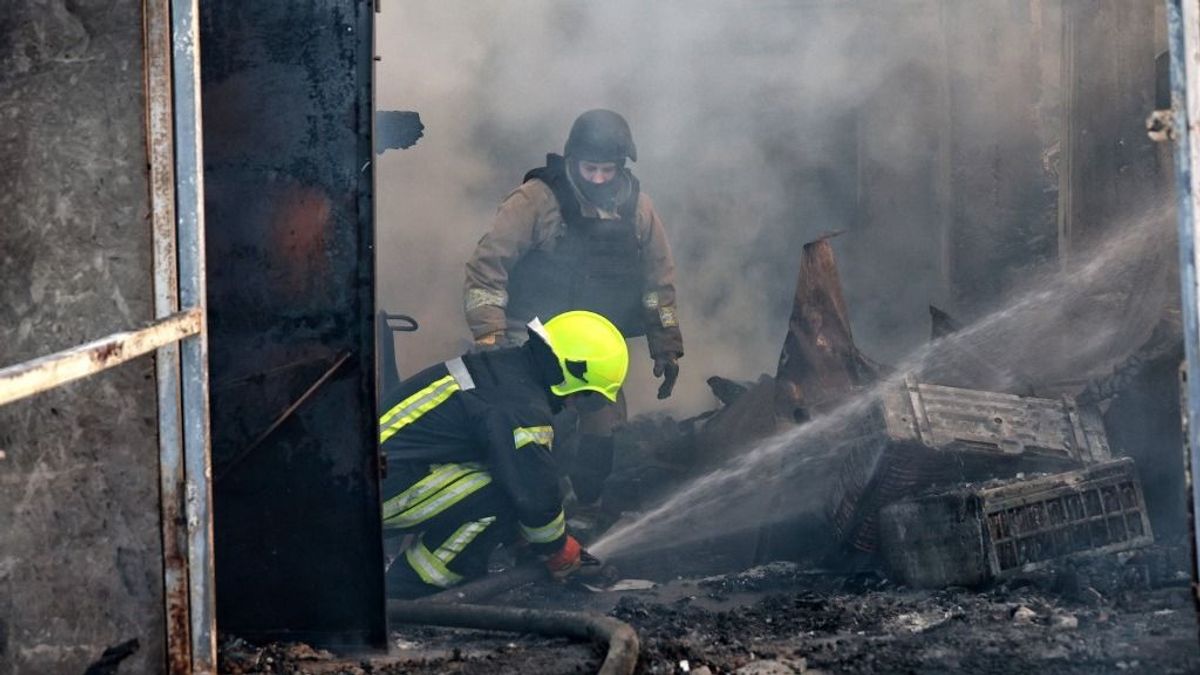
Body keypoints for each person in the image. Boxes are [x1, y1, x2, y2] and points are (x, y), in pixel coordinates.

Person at [463, 109, 683, 507]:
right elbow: (487, 269)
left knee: (603, 428)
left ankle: (587, 509)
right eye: (589, 168)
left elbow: (658, 286)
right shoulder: (535, 201)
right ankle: (525, 521)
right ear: (571, 160)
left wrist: (666, 344)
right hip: (528, 339)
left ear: (622, 166)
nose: (598, 178)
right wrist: (491, 338)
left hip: (594, 344)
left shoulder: (639, 210)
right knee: (531, 432)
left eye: (607, 170)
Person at [379, 310, 628, 597]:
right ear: (575, 372)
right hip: (384, 485)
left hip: (376, 478)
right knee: (501, 493)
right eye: (587, 395)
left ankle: (400, 588)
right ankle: (408, 592)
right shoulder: (524, 407)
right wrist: (557, 548)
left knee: (504, 482)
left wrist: (519, 540)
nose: (576, 405)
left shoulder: (506, 371)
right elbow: (533, 493)